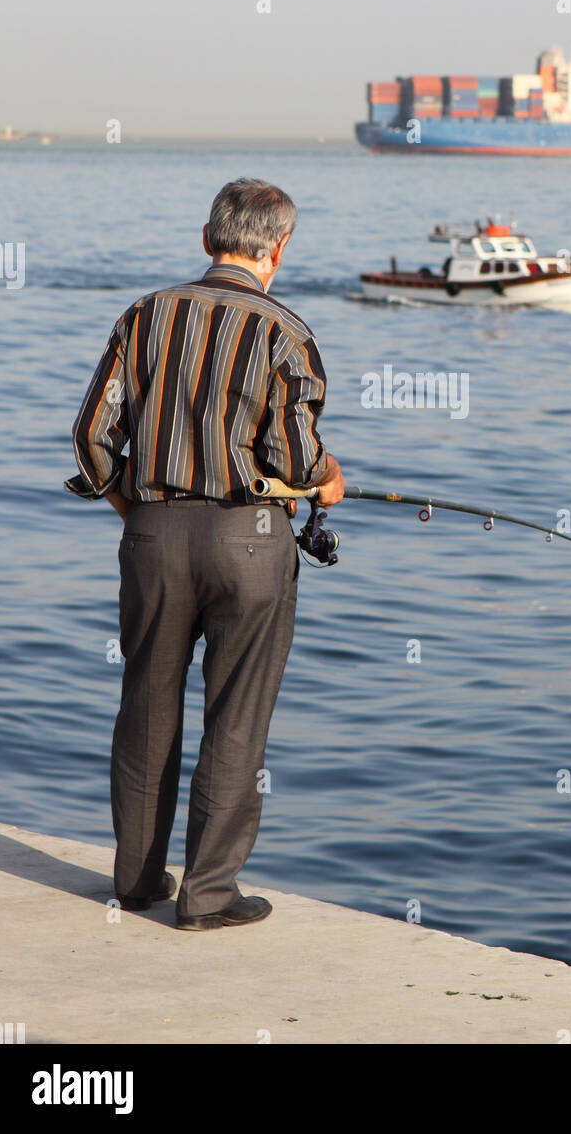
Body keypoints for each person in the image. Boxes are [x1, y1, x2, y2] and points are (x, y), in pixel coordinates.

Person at [65, 178, 345, 931]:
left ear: (206, 237)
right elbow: (295, 455)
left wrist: (137, 509)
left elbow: (92, 437)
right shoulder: (287, 332)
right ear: (278, 249)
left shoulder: (144, 315)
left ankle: (135, 883)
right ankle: (208, 896)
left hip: (153, 536)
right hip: (249, 542)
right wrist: (329, 478)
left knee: (146, 706)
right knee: (236, 716)